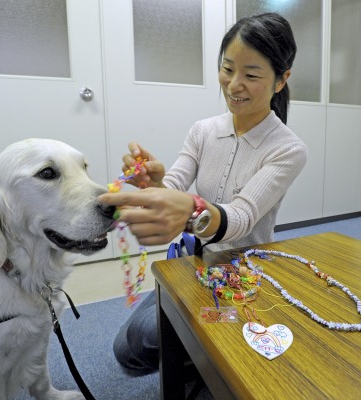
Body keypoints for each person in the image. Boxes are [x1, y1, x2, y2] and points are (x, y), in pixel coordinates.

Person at [98, 12, 308, 374]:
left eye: (251, 75)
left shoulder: (287, 149)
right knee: (127, 350)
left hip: (245, 275)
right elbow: (175, 187)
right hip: (194, 263)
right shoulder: (203, 130)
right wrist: (154, 183)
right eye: (227, 69)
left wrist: (189, 209)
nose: (233, 85)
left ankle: (218, 353)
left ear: (281, 80)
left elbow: (240, 218)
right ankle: (211, 352)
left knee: (149, 336)